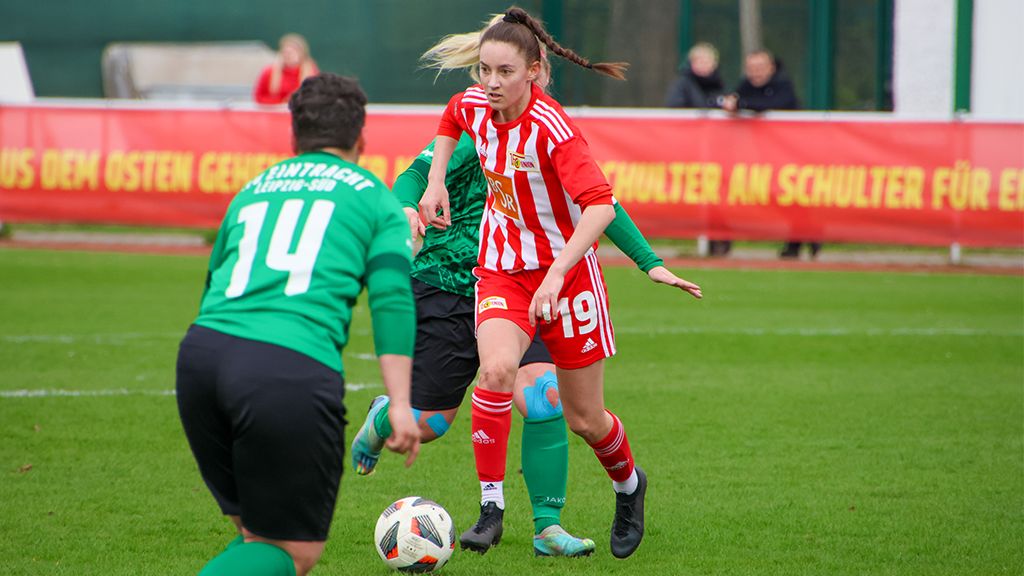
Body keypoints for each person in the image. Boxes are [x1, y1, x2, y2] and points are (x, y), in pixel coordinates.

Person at [350, 15, 702, 559]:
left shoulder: (553, 129)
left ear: (534, 73)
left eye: (504, 71)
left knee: (579, 414)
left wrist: (641, 263)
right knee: (494, 374)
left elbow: (602, 203)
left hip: (565, 280)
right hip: (492, 273)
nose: (490, 82)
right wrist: (435, 180)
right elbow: (447, 123)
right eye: (484, 70)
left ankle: (627, 488)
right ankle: (495, 509)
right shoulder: (476, 108)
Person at [175, 73, 420, 576]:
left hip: (201, 357)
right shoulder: (375, 197)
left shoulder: (253, 189)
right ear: (361, 139)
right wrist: (398, 404)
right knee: (290, 551)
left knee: (254, 535)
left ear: (294, 138)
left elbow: (212, 284)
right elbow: (393, 300)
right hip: (285, 368)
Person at [721, 50, 818, 258]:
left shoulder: (783, 85)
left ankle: (802, 239)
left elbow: (773, 105)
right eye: (751, 68)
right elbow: (732, 100)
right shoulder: (745, 86)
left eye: (760, 67)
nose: (755, 73)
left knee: (790, 196)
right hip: (756, 156)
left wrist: (741, 105)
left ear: (771, 68)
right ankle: (720, 240)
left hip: (788, 154)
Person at [253, 34, 319, 105]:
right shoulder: (269, 72)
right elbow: (259, 97)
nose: (289, 55)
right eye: (286, 52)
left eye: (293, 52)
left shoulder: (311, 72)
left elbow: (317, 96)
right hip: (276, 112)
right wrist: (282, 101)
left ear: (302, 53)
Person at [665, 42, 725, 109]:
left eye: (708, 62)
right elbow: (675, 107)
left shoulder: (719, 85)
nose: (704, 65)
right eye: (701, 62)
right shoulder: (682, 85)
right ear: (692, 64)